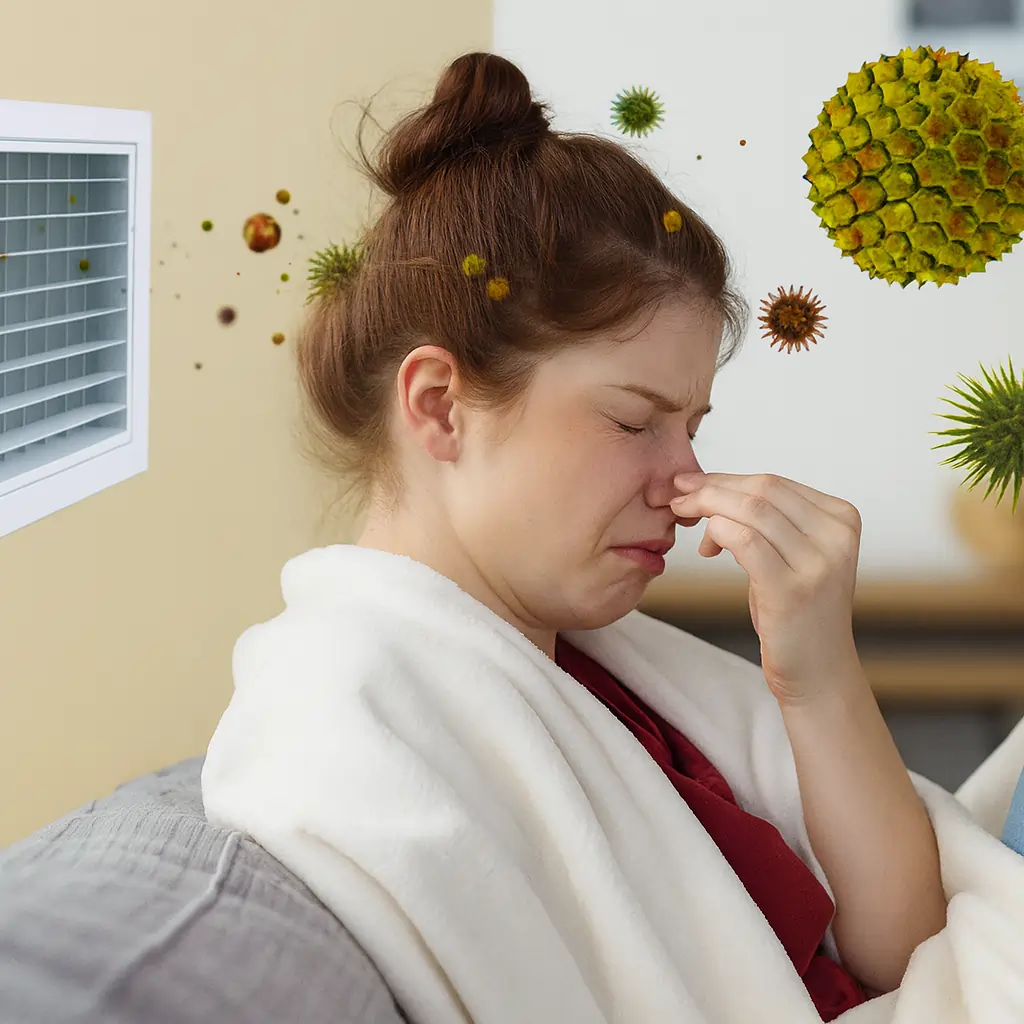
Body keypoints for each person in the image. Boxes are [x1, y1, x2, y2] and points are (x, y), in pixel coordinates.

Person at [204, 52, 1024, 1024]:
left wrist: (819, 676)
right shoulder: (352, 715)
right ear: (438, 406)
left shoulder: (605, 665)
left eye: (693, 425)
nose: (683, 478)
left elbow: (903, 950)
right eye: (635, 422)